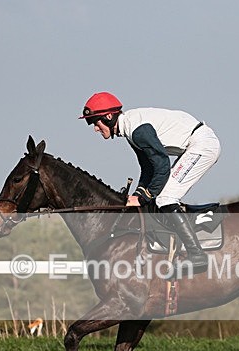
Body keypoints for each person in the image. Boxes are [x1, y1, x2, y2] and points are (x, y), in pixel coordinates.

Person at [79, 92, 220, 273]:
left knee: (165, 198)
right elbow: (148, 169)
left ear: (108, 116)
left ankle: (197, 256)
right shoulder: (130, 129)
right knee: (159, 197)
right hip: (195, 144)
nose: (95, 129)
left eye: (94, 122)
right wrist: (138, 195)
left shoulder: (137, 131)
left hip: (202, 145)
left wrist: (144, 197)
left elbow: (162, 165)